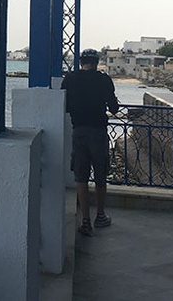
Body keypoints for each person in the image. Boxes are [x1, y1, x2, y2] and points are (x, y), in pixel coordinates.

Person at [61, 48, 120, 237]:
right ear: (96, 62)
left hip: (79, 132)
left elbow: (64, 105)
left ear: (81, 62)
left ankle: (85, 221)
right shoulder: (104, 80)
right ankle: (100, 216)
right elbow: (114, 107)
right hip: (98, 132)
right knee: (101, 175)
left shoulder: (70, 79)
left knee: (81, 177)